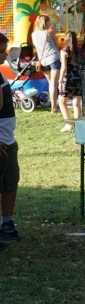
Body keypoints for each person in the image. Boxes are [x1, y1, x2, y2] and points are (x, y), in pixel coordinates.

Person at [0, 33, 20, 245]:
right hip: (2, 142)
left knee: (9, 183)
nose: (5, 54)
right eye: (1, 50)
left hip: (7, 140)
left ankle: (6, 223)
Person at [30, 15, 60, 114]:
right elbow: (56, 44)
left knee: (51, 83)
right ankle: (54, 107)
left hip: (43, 61)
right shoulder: (49, 32)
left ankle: (53, 106)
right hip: (54, 58)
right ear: (45, 23)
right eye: (49, 21)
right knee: (55, 84)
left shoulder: (33, 34)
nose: (50, 23)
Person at [57, 31, 82, 132]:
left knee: (62, 101)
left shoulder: (64, 51)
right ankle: (77, 125)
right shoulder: (79, 51)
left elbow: (63, 67)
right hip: (79, 78)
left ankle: (69, 124)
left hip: (68, 78)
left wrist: (60, 80)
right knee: (76, 103)